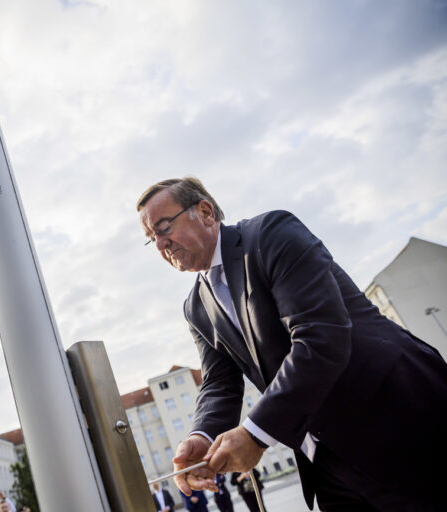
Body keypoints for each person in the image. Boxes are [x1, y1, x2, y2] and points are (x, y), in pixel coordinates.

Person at [137, 177, 447, 511]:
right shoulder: (195, 307)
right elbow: (219, 384)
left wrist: (256, 434)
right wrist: (202, 437)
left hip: (395, 419)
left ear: (206, 212)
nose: (160, 245)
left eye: (164, 226)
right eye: (151, 238)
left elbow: (321, 335)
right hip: (325, 461)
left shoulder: (271, 234)